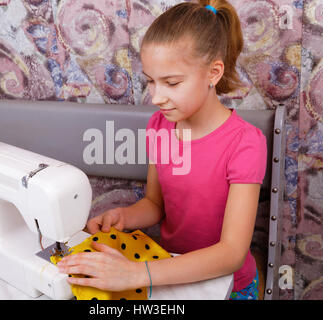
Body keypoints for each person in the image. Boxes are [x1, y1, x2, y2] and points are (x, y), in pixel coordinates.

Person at [57, 0, 267, 300]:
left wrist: (134, 273)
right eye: (151, 82)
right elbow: (156, 205)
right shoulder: (160, 126)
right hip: (167, 268)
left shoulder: (246, 143)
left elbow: (232, 253)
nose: (156, 97)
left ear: (213, 73)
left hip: (226, 285)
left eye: (171, 83)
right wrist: (123, 217)